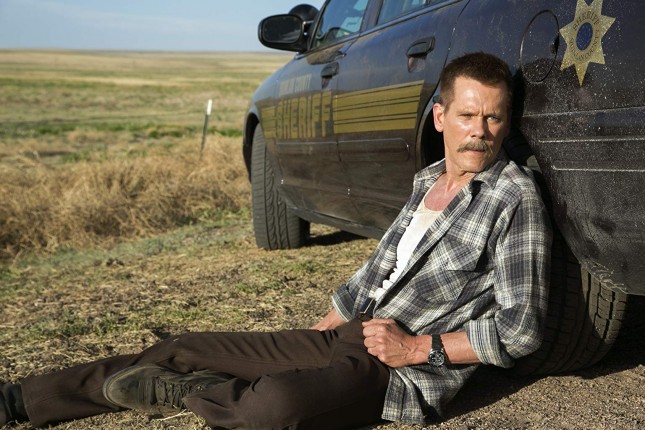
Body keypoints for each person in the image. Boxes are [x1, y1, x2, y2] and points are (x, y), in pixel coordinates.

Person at [0, 52, 551, 429]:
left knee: (276, 405)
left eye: (493, 118)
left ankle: (190, 393)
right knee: (184, 346)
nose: (480, 131)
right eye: (467, 115)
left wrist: (417, 348)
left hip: (396, 369)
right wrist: (315, 334)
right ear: (440, 117)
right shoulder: (427, 180)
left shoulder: (513, 197)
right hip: (351, 335)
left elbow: (522, 327)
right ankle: (22, 400)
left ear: (505, 123)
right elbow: (378, 270)